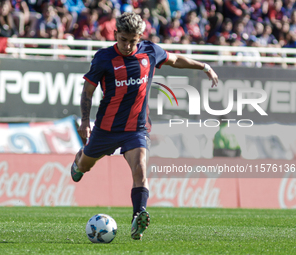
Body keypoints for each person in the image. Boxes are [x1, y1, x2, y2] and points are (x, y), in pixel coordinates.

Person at [71, 12, 218, 241]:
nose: (128, 46)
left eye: (133, 40)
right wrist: (84, 121)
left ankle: (138, 215)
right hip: (106, 129)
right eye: (124, 40)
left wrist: (204, 66)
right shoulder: (103, 58)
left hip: (136, 129)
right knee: (84, 167)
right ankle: (80, 161)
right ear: (115, 34)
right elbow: (87, 91)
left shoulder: (150, 51)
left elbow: (175, 60)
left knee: (140, 167)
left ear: (140, 37)